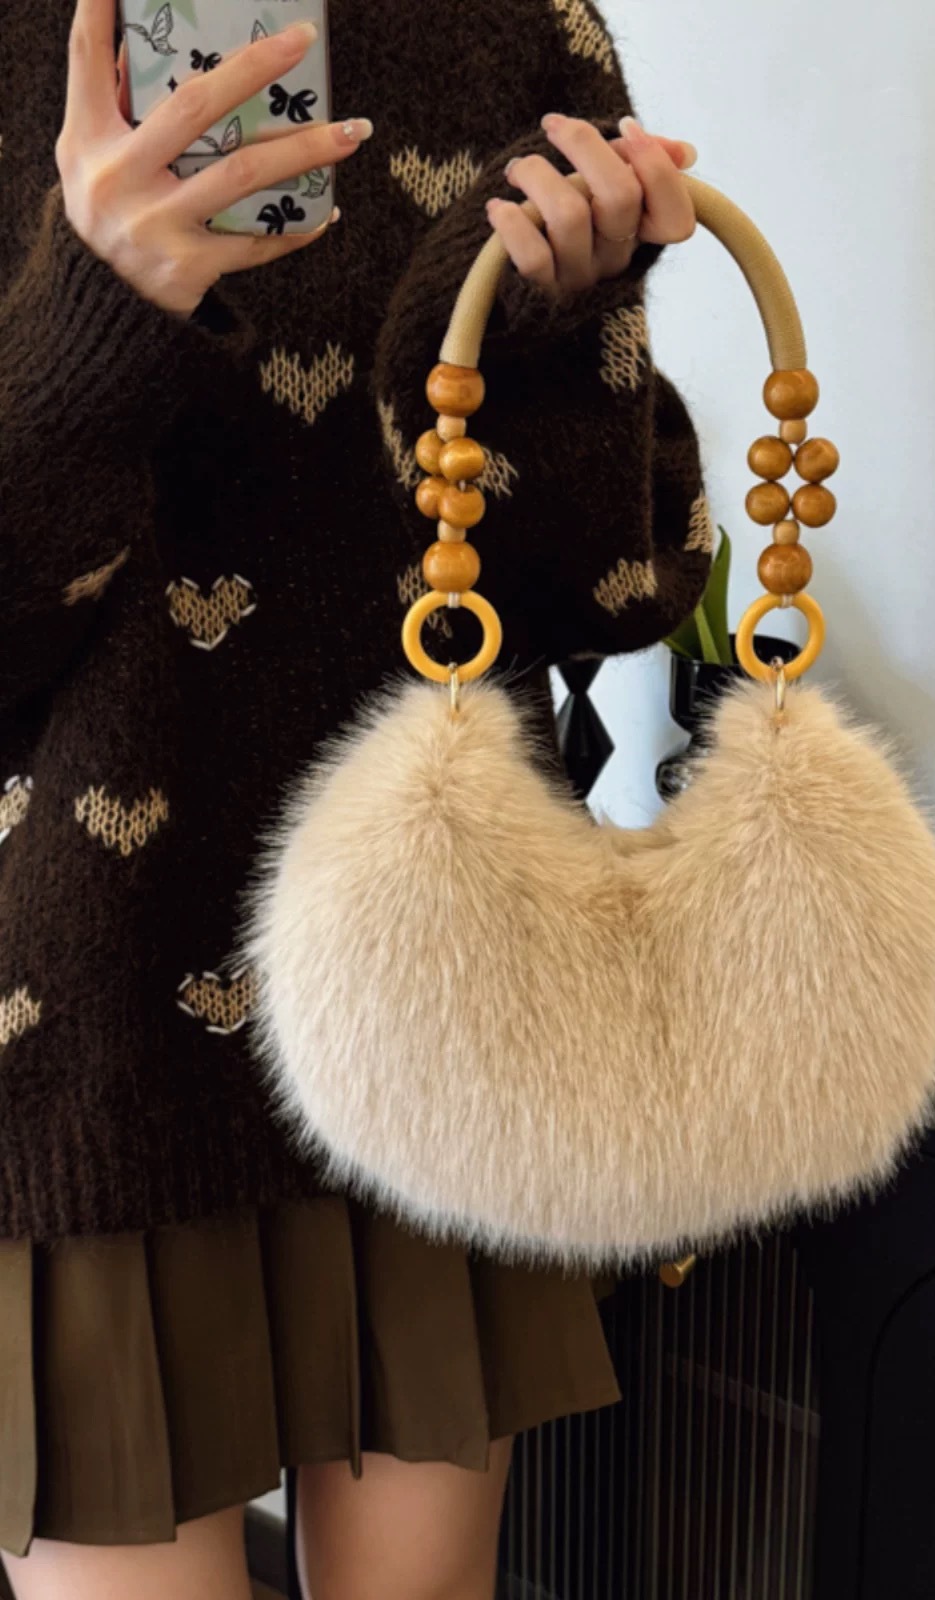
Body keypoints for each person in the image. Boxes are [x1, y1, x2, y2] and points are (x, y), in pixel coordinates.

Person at [0, 0, 711, 1595]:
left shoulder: (516, 25)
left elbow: (608, 588)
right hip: (86, 1028)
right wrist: (91, 320)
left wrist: (543, 342)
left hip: (436, 983)